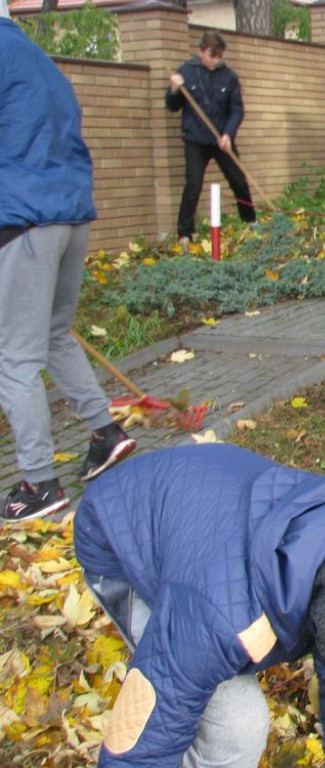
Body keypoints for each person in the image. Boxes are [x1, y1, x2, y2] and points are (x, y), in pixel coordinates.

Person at [74, 442, 325, 767]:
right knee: (238, 728)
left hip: (205, 499)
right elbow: (143, 740)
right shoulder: (219, 614)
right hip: (117, 533)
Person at [0, 18, 137, 523]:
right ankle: (106, 433)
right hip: (70, 214)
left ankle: (39, 482)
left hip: (22, 221)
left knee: (13, 359)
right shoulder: (40, 61)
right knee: (56, 335)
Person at [166, 31, 256, 249]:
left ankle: (251, 222)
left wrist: (228, 134)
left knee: (238, 180)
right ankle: (185, 234)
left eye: (219, 56)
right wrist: (174, 89)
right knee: (193, 184)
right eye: (212, 56)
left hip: (221, 138)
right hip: (195, 139)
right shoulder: (186, 72)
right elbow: (172, 106)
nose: (216, 60)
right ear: (201, 51)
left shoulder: (229, 77)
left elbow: (237, 110)